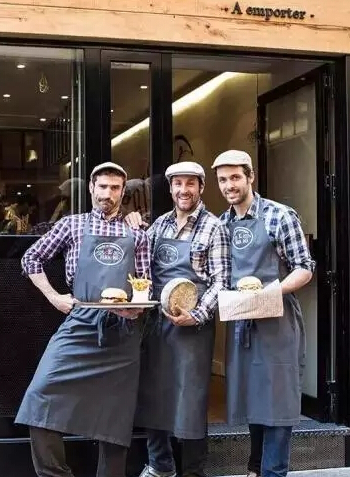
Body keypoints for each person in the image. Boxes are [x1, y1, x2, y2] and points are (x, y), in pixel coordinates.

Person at [15, 162, 151, 477]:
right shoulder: (71, 225)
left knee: (115, 417)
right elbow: (31, 258)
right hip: (79, 325)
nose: (107, 194)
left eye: (114, 188)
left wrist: (136, 307)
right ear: (91, 188)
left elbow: (144, 283)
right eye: (102, 186)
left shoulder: (137, 232)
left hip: (122, 332)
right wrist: (54, 296)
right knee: (40, 397)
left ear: (123, 192)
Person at [211, 150, 315, 477]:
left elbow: (304, 268)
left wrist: (270, 292)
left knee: (278, 404)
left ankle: (273, 472)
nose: (229, 185)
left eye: (235, 177)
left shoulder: (279, 215)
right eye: (223, 180)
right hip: (242, 323)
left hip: (278, 323)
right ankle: (255, 469)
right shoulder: (221, 224)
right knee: (254, 400)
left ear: (250, 177)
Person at [126, 162, 231, 477]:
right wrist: (131, 223)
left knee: (191, 399)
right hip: (156, 324)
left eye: (190, 184)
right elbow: (139, 262)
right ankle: (161, 466)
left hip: (193, 329)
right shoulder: (159, 224)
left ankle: (193, 471)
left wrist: (196, 315)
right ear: (170, 188)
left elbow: (222, 281)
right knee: (154, 394)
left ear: (201, 187)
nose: (184, 190)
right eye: (178, 184)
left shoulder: (214, 227)